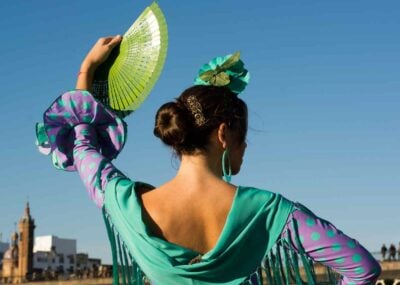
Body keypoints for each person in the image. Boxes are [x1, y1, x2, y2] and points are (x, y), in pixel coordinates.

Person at [38, 36, 381, 285]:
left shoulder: (123, 203)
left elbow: (84, 146)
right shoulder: (268, 210)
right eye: (242, 138)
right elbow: (362, 268)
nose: (244, 148)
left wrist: (86, 70)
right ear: (222, 135)